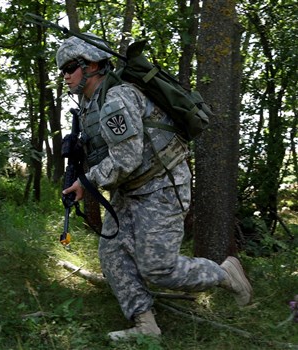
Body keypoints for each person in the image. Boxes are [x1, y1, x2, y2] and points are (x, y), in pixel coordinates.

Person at [56, 34, 253, 340]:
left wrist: (89, 180)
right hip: (130, 189)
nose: (66, 75)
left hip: (160, 185)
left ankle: (224, 273)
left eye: (70, 67)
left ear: (92, 64)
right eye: (63, 70)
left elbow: (127, 158)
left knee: (158, 268)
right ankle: (145, 325)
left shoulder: (116, 99)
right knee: (112, 254)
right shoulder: (90, 104)